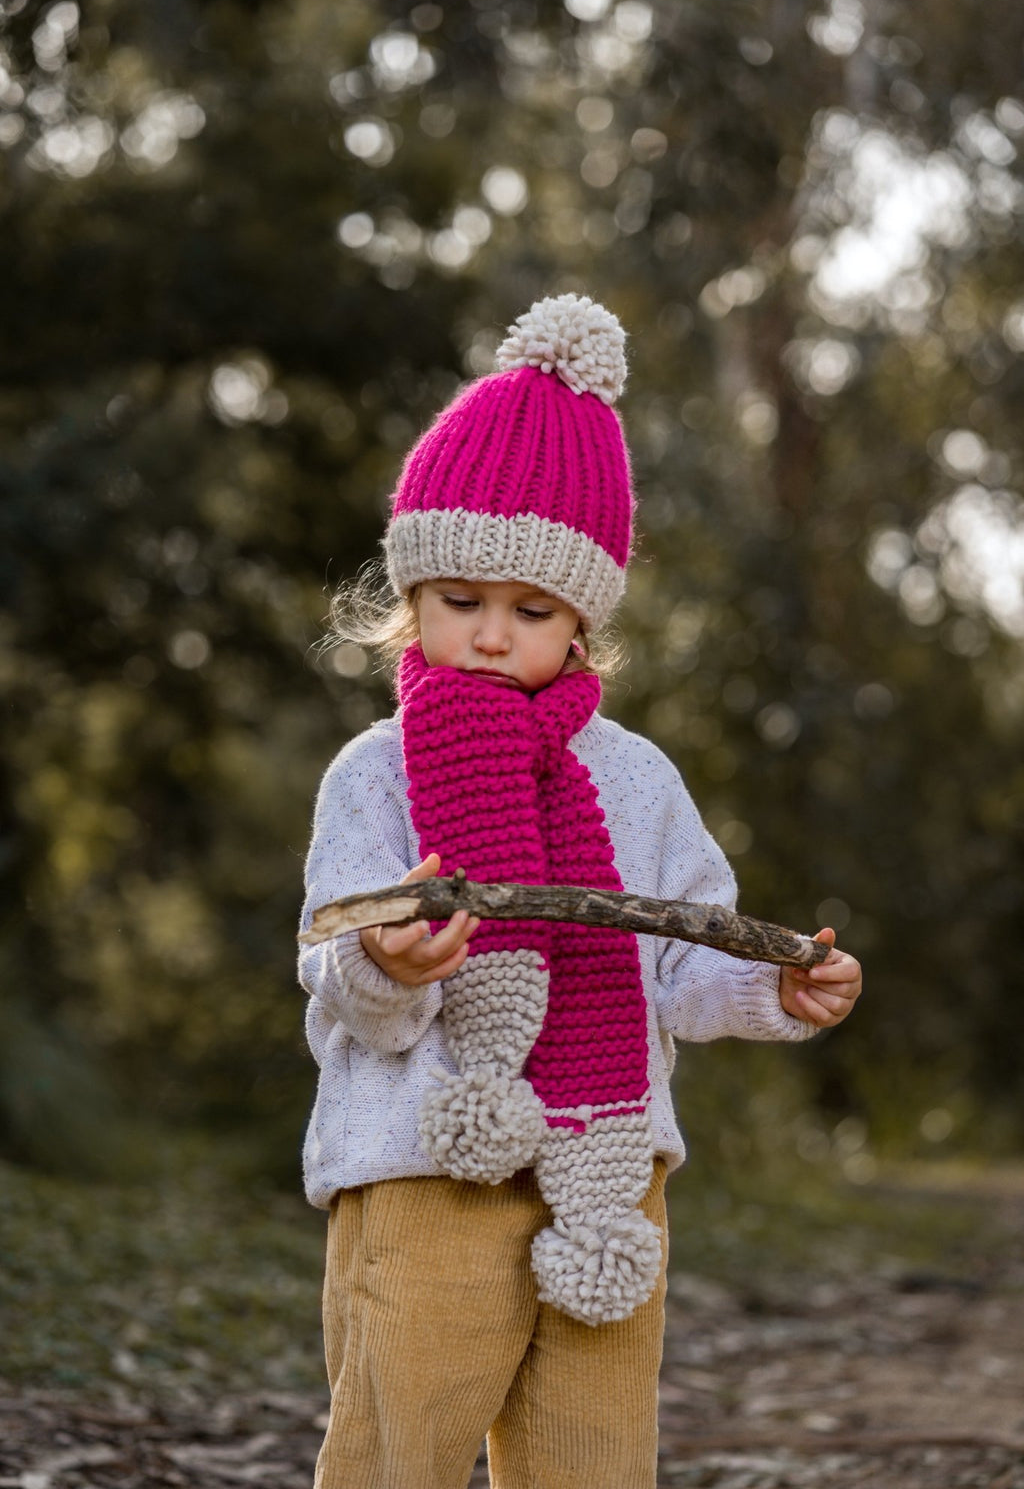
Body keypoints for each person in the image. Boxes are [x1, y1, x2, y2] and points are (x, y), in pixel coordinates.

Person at [298, 293, 862, 1489]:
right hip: (423, 1168)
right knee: (399, 1444)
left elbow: (682, 958)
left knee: (592, 1454)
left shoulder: (635, 779)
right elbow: (336, 959)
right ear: (411, 594)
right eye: (461, 602)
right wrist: (386, 965)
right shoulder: (374, 774)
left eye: (533, 611)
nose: (493, 636)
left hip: (606, 1175)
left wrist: (773, 988)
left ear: (582, 620)